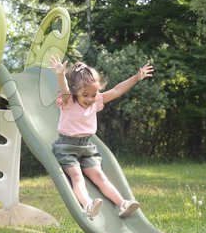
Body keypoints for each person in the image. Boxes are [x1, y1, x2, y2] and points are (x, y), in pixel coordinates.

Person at [48, 54, 154, 219]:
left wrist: (136, 78)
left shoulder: (96, 99)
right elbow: (64, 88)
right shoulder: (69, 101)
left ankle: (122, 204)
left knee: (99, 176)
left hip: (87, 147)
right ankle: (88, 204)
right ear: (75, 92)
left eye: (93, 94)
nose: (90, 99)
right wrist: (60, 74)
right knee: (76, 176)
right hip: (66, 147)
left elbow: (117, 90)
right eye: (86, 95)